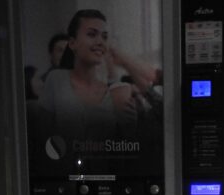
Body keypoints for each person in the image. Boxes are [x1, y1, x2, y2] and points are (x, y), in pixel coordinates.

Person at [38, 10, 158, 141]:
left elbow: (125, 145)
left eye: (104, 37)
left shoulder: (113, 93)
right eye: (91, 34)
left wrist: (129, 125)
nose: (100, 42)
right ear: (72, 43)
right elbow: (42, 136)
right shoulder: (56, 79)